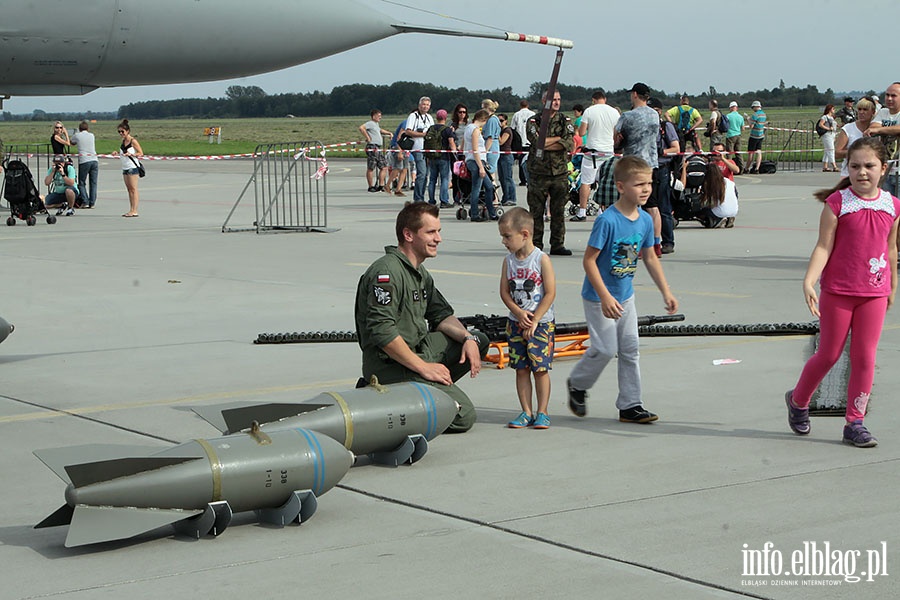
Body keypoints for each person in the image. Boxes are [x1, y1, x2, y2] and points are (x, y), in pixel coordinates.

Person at [784, 137, 900, 448]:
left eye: (869, 166)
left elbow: (890, 249)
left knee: (865, 358)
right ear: (846, 168)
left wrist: (892, 285)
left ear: (883, 169)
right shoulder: (838, 203)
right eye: (855, 166)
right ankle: (798, 400)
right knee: (830, 354)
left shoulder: (893, 205)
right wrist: (809, 281)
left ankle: (855, 423)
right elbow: (823, 247)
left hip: (873, 293)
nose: (862, 172)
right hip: (838, 291)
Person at [354, 202, 490, 433]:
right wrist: (424, 368)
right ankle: (390, 395)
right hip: (391, 363)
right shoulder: (386, 274)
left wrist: (468, 338)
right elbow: (382, 332)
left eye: (438, 232)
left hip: (418, 350)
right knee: (463, 416)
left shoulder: (418, 273)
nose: (438, 239)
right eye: (431, 232)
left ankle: (427, 392)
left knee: (480, 340)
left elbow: (441, 314)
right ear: (408, 235)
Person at [566, 156, 678, 423]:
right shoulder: (607, 220)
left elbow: (650, 257)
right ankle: (578, 384)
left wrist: (666, 291)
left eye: (648, 183)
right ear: (620, 186)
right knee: (605, 349)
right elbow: (589, 260)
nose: (646, 189)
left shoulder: (645, 221)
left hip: (626, 297)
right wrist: (604, 296)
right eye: (639, 184)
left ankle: (630, 404)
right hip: (599, 298)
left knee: (630, 348)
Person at [498, 207, 556, 429]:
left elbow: (550, 292)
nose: (504, 241)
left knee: (540, 369)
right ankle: (526, 411)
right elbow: (504, 291)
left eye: (507, 236)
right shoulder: (509, 261)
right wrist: (519, 312)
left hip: (540, 324)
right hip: (516, 322)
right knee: (521, 368)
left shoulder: (541, 259)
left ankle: (542, 411)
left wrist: (535, 318)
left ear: (525, 234)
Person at [526, 89, 575, 255]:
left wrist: (546, 142)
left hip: (559, 172)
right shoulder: (534, 120)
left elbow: (568, 142)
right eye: (553, 99)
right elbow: (536, 142)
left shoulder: (565, 120)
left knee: (558, 210)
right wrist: (555, 140)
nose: (556, 102)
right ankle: (536, 245)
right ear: (544, 101)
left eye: (558, 99)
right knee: (536, 212)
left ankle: (557, 244)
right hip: (538, 172)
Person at [615, 83, 660, 253]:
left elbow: (616, 139)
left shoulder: (627, 116)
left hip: (633, 164)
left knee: (633, 206)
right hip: (651, 163)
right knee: (653, 206)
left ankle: (637, 244)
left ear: (635, 94)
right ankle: (656, 243)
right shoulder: (655, 115)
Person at [572, 89, 619, 222]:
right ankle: (601, 209)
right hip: (608, 152)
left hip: (592, 153)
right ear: (605, 99)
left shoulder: (589, 111)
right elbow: (617, 132)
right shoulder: (614, 112)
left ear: (593, 100)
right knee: (605, 181)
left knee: (586, 182)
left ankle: (582, 211)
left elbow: (581, 133)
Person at [648, 97, 680, 255]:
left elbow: (676, 148)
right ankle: (649, 241)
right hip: (647, 169)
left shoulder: (665, 127)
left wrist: (663, 152)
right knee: (647, 207)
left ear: (658, 111)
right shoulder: (645, 127)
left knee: (664, 206)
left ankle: (668, 241)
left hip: (662, 168)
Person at [679, 152, 738, 229]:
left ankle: (716, 220)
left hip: (719, 211)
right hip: (734, 210)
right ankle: (728, 217)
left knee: (700, 209)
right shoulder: (728, 181)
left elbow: (704, 200)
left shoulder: (709, 183)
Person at [464, 109, 498, 222]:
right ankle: (474, 214)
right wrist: (481, 167)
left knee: (489, 187)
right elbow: (475, 149)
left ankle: (491, 212)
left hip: (474, 160)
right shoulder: (475, 130)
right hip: (476, 161)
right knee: (476, 188)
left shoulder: (468, 127)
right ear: (483, 119)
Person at [868, 82, 900, 195]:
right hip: (885, 169)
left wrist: (880, 130)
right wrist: (878, 129)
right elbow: (873, 127)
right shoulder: (882, 112)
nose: (889, 98)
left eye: (894, 96)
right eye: (887, 95)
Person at [835, 97, 876, 178]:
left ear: (873, 112)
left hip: (870, 175)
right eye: (859, 109)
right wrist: (858, 152)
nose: (861, 112)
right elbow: (837, 153)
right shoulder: (848, 128)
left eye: (865, 109)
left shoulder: (877, 130)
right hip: (849, 175)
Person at [404, 96, 434, 202]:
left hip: (428, 149)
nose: (425, 106)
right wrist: (422, 134)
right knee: (421, 173)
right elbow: (408, 131)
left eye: (427, 105)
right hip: (418, 148)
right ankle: (418, 198)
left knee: (425, 175)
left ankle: (420, 196)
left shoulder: (429, 117)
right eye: (423, 104)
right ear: (419, 105)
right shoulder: (413, 116)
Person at [425, 109, 456, 208]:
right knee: (444, 179)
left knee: (432, 180)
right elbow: (451, 143)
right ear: (445, 118)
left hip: (432, 157)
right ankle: (444, 200)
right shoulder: (447, 129)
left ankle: (431, 200)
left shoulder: (431, 128)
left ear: (436, 117)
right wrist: (455, 151)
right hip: (443, 157)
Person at [113, 119, 143, 217]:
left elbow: (140, 153)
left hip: (132, 167)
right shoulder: (123, 141)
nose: (121, 133)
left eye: (122, 131)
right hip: (125, 167)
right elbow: (123, 152)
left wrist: (132, 154)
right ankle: (131, 209)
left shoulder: (133, 141)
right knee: (129, 189)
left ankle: (134, 210)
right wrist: (117, 153)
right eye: (119, 132)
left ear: (128, 131)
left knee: (133, 189)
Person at [359, 109, 391, 192]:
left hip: (378, 147)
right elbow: (361, 128)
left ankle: (381, 185)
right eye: (378, 116)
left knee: (384, 167)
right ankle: (370, 186)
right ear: (374, 116)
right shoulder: (370, 123)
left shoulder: (376, 124)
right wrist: (368, 138)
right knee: (371, 167)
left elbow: (380, 130)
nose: (380, 117)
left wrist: (389, 133)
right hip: (372, 147)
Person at [70, 120, 99, 208]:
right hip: (94, 159)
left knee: (82, 182)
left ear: (79, 128)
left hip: (84, 160)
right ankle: (92, 202)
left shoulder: (77, 135)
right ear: (88, 128)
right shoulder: (92, 135)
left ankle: (85, 200)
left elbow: (72, 142)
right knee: (93, 182)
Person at [510, 99, 535, 185]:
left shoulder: (516, 115)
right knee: (532, 161)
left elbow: (512, 128)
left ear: (520, 106)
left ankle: (523, 180)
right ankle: (531, 178)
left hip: (520, 142)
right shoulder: (533, 114)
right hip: (531, 141)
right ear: (528, 105)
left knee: (521, 162)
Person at [496, 113, 517, 206]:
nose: (499, 123)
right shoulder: (500, 130)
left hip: (506, 155)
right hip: (499, 155)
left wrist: (496, 132)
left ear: (505, 121)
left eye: (501, 121)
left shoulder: (507, 130)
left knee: (508, 177)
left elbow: (501, 142)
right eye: (498, 121)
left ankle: (511, 198)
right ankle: (505, 197)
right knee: (502, 178)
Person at [388, 119, 410, 197]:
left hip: (406, 148)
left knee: (405, 169)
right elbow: (399, 137)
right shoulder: (407, 123)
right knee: (398, 168)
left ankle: (398, 189)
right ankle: (387, 185)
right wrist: (399, 152)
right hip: (398, 147)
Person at [481, 99, 501, 178]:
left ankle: (492, 189)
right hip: (491, 145)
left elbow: (490, 138)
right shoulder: (489, 119)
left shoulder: (492, 120)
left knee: (490, 172)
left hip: (491, 147)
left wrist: (484, 151)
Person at [724, 101, 745, 173]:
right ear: (737, 108)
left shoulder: (728, 116)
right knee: (738, 153)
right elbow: (743, 128)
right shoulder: (741, 117)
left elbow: (725, 126)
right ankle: (741, 169)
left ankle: (730, 169)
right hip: (738, 135)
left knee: (729, 153)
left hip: (730, 135)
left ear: (731, 108)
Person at [746, 100, 767, 174]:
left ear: (755, 107)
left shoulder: (755, 115)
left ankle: (747, 168)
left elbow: (751, 126)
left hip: (754, 136)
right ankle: (757, 168)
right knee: (759, 152)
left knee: (751, 152)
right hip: (761, 135)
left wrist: (748, 119)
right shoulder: (764, 114)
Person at [817, 105, 838, 172]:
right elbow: (821, 124)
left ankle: (825, 167)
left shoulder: (831, 118)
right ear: (830, 109)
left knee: (827, 151)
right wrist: (828, 128)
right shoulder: (825, 117)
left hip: (832, 135)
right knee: (831, 150)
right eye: (833, 109)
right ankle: (834, 166)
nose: (834, 110)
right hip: (827, 135)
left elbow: (835, 126)